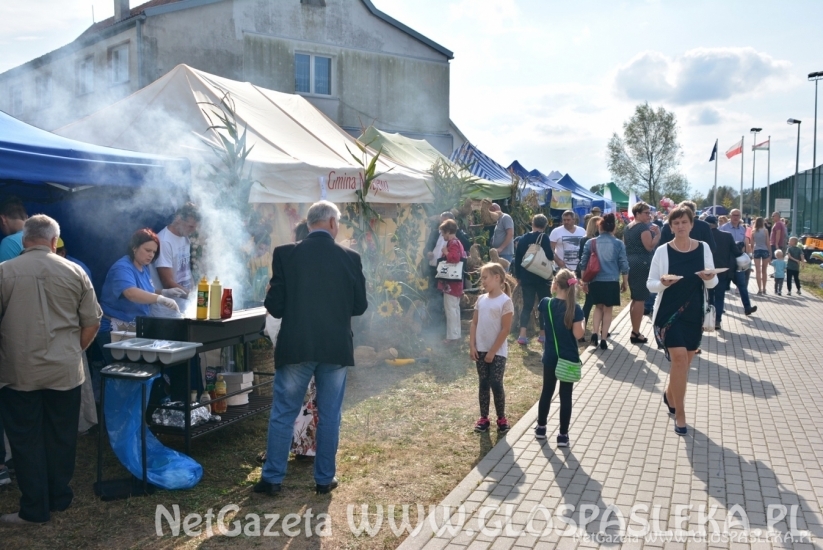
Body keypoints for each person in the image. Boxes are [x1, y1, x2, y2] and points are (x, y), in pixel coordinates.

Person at [258, 200, 367, 496]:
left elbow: (275, 308)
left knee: (283, 412)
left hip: (297, 345)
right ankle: (323, 480)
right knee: (330, 415)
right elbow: (360, 306)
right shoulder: (350, 257)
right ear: (332, 223)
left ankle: (272, 479)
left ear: (308, 224)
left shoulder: (285, 254)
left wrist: (272, 293)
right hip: (335, 347)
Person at [0, 215, 102, 525]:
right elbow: (92, 323)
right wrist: (73, 351)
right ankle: (59, 498)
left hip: (18, 372)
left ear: (24, 238)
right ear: (54, 241)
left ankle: (34, 509)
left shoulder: (4, 272)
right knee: (61, 436)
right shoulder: (76, 271)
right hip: (64, 370)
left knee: (26, 440)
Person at [647, 206, 718, 436]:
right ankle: (680, 414)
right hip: (668, 314)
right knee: (678, 360)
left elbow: (712, 283)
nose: (680, 226)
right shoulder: (663, 251)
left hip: (694, 313)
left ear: (691, 224)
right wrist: (663, 284)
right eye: (675, 223)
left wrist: (710, 277)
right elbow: (651, 284)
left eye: (684, 222)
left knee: (684, 364)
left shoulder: (703, 248)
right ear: (670, 226)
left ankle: (670, 395)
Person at [93, 229, 180, 390]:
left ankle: (137, 413)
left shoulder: (144, 267)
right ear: (134, 248)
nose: (151, 255)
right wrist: (160, 299)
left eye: (154, 252)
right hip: (113, 330)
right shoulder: (122, 267)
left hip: (132, 329)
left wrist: (164, 292)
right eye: (147, 250)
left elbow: (145, 291)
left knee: (137, 378)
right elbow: (131, 293)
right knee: (123, 379)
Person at [535, 269, 584, 446]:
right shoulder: (575, 309)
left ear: (555, 285)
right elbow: (579, 335)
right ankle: (563, 435)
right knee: (566, 396)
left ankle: (541, 427)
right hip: (568, 358)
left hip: (550, 356)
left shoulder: (546, 304)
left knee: (546, 392)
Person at [469, 263, 514, 433]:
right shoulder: (481, 300)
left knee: (496, 382)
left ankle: (501, 418)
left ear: (497, 278)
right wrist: (472, 345)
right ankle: (484, 418)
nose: (483, 281)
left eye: (485, 277)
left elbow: (505, 329)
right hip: (480, 349)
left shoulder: (505, 301)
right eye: (482, 278)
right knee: (483, 383)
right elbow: (474, 323)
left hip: (497, 352)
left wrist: (493, 351)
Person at [579, 214, 629, 350]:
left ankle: (594, 333)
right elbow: (623, 264)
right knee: (608, 310)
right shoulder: (618, 243)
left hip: (595, 280)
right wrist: (625, 282)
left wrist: (584, 281)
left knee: (598, 307)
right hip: (612, 280)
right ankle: (604, 338)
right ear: (613, 228)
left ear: (599, 227)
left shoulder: (591, 242)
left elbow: (583, 263)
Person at [150, 202, 200, 316]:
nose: (193, 230)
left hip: (183, 307)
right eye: (191, 226)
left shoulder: (184, 236)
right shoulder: (164, 241)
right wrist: (194, 297)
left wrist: (194, 292)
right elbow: (168, 283)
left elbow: (186, 271)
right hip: (166, 312)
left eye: (195, 227)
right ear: (178, 219)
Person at [513, 214, 554, 345]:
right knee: (544, 306)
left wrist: (518, 276)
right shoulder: (544, 238)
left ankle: (522, 335)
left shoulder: (523, 238)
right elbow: (549, 255)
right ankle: (542, 335)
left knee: (527, 306)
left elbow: (518, 258)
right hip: (542, 277)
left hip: (526, 277)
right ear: (545, 225)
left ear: (532, 223)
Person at [623, 202, 660, 344]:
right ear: (637, 214)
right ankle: (635, 332)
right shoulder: (643, 227)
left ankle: (635, 330)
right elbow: (649, 247)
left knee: (636, 298)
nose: (648, 215)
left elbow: (626, 244)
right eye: (646, 212)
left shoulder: (628, 227)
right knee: (640, 299)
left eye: (649, 212)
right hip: (642, 263)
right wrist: (658, 234)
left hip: (631, 262)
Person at [707, 216, 741, 330]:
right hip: (723, 271)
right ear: (716, 224)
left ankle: (709, 319)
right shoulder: (727, 236)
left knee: (709, 296)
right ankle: (717, 320)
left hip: (707, 272)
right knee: (720, 297)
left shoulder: (703, 238)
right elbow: (736, 252)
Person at [436, 219, 466, 344]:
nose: (443, 236)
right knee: (454, 309)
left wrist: (445, 252)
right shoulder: (458, 242)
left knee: (450, 309)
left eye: (443, 233)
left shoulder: (453, 243)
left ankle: (452, 337)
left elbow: (454, 258)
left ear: (448, 231)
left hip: (451, 283)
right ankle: (455, 334)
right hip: (456, 282)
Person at [576, 215, 601, 342]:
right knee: (594, 303)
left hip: (587, 273)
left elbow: (581, 259)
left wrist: (582, 276)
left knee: (589, 302)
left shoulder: (584, 240)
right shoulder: (596, 240)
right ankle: (594, 331)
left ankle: (583, 331)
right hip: (596, 274)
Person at [0, 196, 27, 262]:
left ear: (2, 219)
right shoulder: (43, 236)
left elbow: (4, 272)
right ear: (26, 217)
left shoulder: (10, 242)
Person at [751, 217, 771, 295]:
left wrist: (752, 252)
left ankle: (759, 289)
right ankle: (764, 288)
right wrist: (770, 253)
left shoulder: (753, 231)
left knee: (758, 271)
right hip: (765, 250)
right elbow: (768, 242)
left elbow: (752, 244)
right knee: (764, 270)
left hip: (757, 250)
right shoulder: (765, 231)